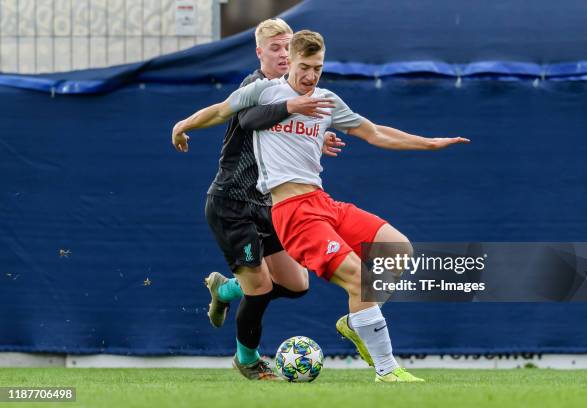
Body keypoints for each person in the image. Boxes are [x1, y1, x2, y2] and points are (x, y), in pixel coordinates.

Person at [172, 30, 469, 382]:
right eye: (304, 67)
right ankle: (388, 371)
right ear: (291, 63)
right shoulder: (265, 92)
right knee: (361, 278)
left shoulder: (327, 100)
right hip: (291, 212)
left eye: (318, 68)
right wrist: (183, 124)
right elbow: (222, 111)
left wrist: (428, 144)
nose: (311, 76)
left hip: (322, 202)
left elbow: (373, 132)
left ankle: (355, 321)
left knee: (399, 251)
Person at [199, 19, 346, 381]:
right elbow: (250, 120)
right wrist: (295, 109)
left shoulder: (289, 93)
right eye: (276, 48)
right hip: (233, 202)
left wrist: (317, 139)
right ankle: (247, 360)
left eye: (287, 47)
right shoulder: (256, 87)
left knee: (297, 285)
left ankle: (226, 288)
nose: (283, 54)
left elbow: (285, 133)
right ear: (260, 52)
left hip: (268, 205)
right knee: (261, 288)